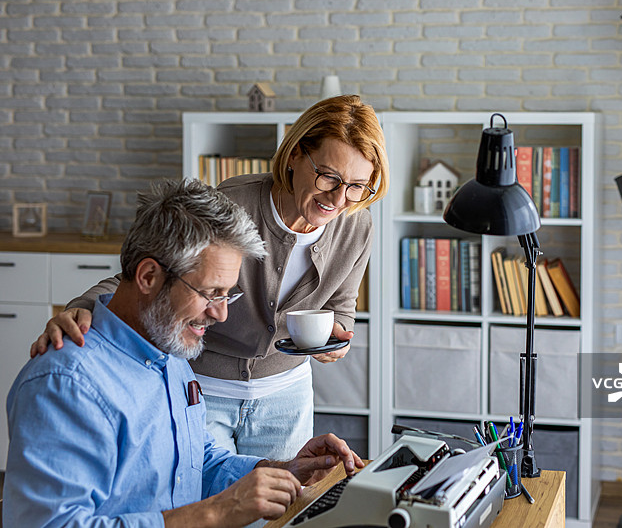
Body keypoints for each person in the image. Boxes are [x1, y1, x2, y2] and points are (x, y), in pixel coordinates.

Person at [30, 94, 389, 461]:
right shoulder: (233, 204)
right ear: (295, 154)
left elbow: (341, 307)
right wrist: (83, 308)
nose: (340, 199)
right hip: (206, 389)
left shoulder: (357, 225)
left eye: (358, 186)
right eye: (329, 177)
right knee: (208, 506)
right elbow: (153, 274)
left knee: (278, 512)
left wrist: (336, 339)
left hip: (287, 396)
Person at [4, 179, 364, 528]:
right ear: (148, 276)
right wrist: (218, 513)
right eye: (210, 293)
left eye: (228, 295)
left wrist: (279, 470)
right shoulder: (65, 385)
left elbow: (196, 463)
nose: (221, 314)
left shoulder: (171, 355)